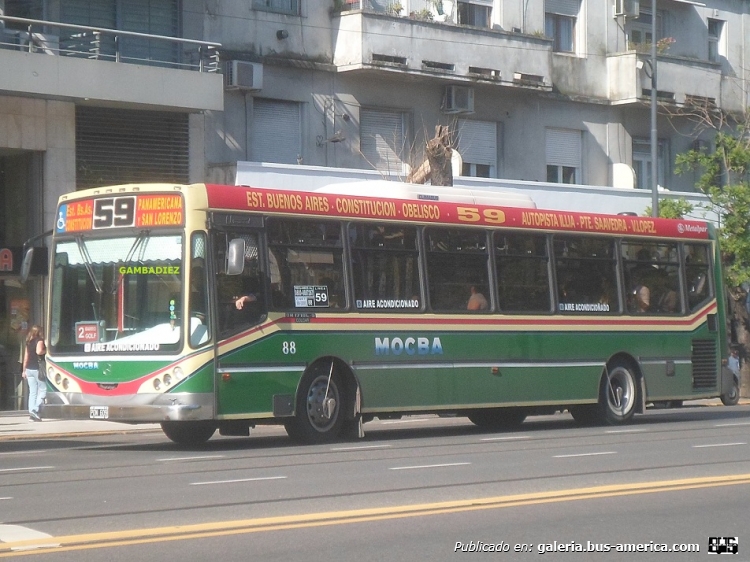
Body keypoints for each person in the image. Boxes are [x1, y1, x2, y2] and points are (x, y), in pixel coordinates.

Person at [22, 324, 46, 422]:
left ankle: (31, 412)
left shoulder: (29, 342)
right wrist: (46, 350)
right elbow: (39, 351)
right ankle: (35, 410)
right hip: (37, 369)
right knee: (43, 389)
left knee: (32, 392)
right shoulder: (39, 341)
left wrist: (24, 371)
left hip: (29, 369)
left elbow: (25, 357)